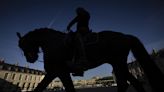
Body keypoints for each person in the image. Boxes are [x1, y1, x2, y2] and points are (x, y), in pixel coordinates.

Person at [67, 7, 90, 76]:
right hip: (79, 31)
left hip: (83, 30)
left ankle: (83, 59)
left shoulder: (83, 14)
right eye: (77, 12)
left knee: (78, 40)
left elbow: (73, 21)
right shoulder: (82, 15)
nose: (77, 13)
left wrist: (69, 26)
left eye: (77, 11)